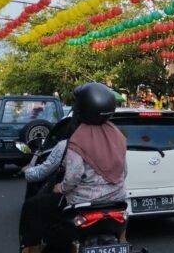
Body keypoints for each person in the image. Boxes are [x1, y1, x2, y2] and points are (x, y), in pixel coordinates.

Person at [19, 82, 127, 253]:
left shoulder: (76, 139)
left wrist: (59, 187)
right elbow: (124, 171)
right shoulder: (117, 136)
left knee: (32, 206)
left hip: (82, 202)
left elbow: (74, 177)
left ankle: (31, 248)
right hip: (116, 200)